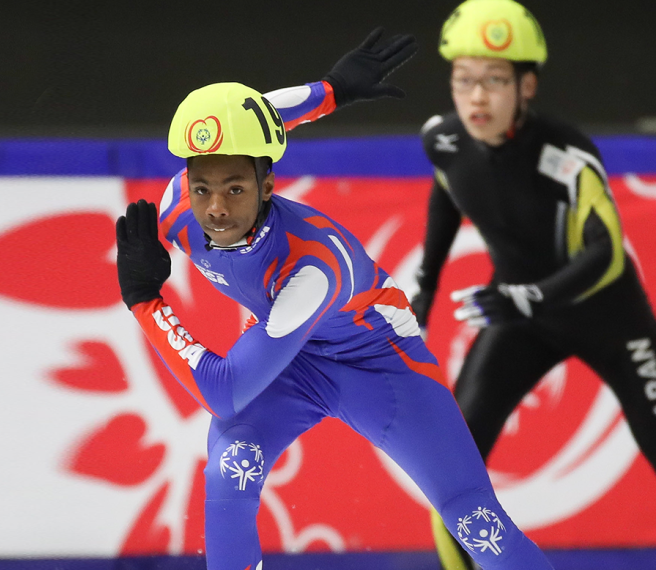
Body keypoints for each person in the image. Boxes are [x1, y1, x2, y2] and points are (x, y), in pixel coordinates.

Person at [115, 29, 555, 570]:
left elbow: (223, 392)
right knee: (230, 472)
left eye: (235, 189)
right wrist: (331, 90)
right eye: (203, 189)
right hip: (290, 360)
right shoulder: (177, 208)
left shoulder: (313, 267)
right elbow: (253, 117)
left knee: (473, 520)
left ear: (269, 185)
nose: (217, 210)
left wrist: (144, 301)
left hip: (378, 365)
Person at [410, 1, 656, 568]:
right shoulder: (443, 141)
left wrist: (530, 296)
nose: (476, 98)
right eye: (463, 80)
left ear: (527, 86)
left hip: (607, 317)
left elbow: (608, 254)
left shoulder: (565, 154)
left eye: (494, 82)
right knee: (451, 480)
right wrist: (426, 284)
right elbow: (448, 190)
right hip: (520, 322)